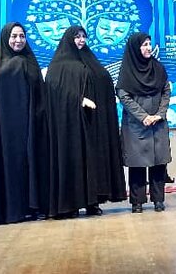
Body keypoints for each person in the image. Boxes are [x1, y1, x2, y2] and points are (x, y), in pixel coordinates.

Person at [46, 25, 127, 218]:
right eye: (77, 37)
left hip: (93, 124)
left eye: (83, 36)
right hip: (69, 125)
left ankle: (93, 202)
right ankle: (71, 204)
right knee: (73, 161)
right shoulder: (58, 66)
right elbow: (55, 90)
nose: (81, 40)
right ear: (68, 39)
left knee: (93, 162)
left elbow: (103, 81)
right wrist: (78, 99)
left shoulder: (91, 61)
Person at [0, 22, 48, 225]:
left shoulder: (31, 62)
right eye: (14, 36)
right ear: (5, 38)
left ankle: (34, 207)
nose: (18, 40)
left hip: (31, 126)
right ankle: (12, 209)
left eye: (22, 36)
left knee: (32, 165)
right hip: (6, 130)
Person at [116, 32, 172, 213]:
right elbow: (123, 95)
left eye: (149, 44)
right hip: (136, 125)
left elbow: (166, 90)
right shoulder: (127, 70)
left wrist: (160, 114)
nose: (149, 48)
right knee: (137, 164)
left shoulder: (158, 67)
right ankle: (137, 201)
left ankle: (158, 200)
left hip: (158, 123)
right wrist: (143, 116)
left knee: (159, 162)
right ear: (135, 48)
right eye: (144, 45)